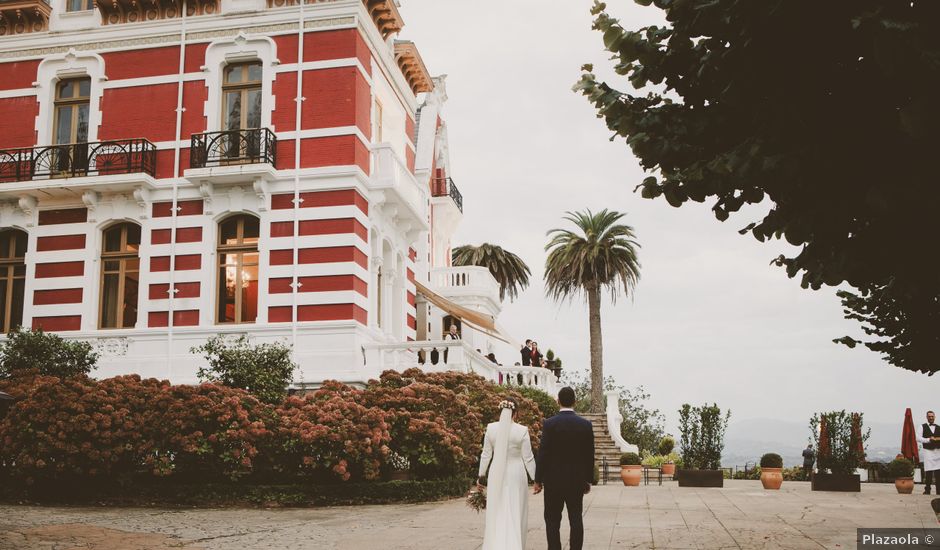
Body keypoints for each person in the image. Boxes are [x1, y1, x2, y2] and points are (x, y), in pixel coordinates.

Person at [534, 387, 594, 550]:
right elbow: (589, 454)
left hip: (553, 481)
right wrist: (588, 479)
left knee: (552, 520)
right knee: (576, 519)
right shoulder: (585, 425)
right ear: (575, 401)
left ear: (558, 401)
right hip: (576, 480)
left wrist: (538, 479)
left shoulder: (549, 424)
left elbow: (543, 452)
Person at [477, 398, 536, 550]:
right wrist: (536, 479)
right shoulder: (521, 430)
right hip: (516, 472)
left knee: (498, 508)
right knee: (517, 507)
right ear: (515, 413)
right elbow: (528, 458)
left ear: (500, 411)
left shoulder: (491, 429)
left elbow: (486, 455)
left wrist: (481, 476)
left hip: (496, 471)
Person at [920, 410, 940, 494]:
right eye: (929, 416)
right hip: (928, 451)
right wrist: (928, 440)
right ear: (927, 417)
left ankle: (939, 490)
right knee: (928, 471)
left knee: (938, 472)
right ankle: (927, 489)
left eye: (932, 416)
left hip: (938, 451)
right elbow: (917, 438)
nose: (931, 418)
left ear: (934, 417)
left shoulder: (939, 427)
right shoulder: (922, 426)